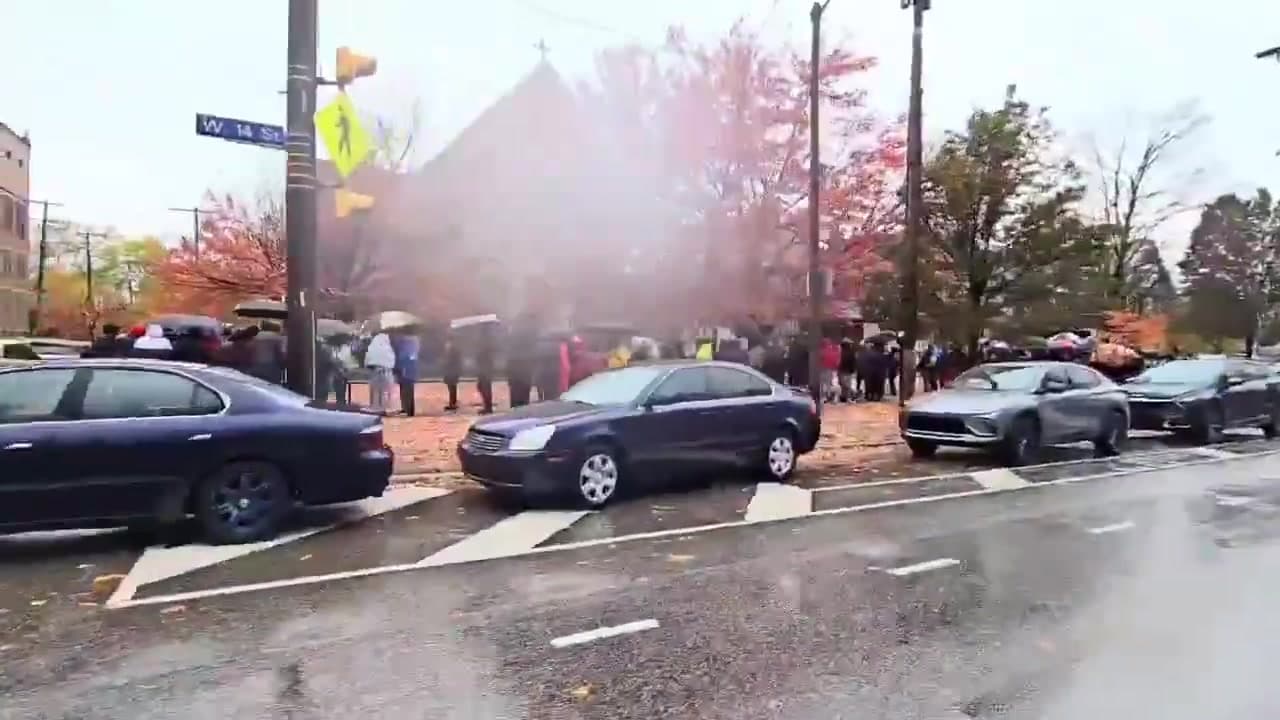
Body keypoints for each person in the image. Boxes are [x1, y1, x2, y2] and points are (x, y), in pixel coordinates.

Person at [364, 331, 396, 414]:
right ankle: (385, 407)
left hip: (375, 371)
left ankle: (375, 407)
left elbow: (367, 360)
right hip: (387, 372)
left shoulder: (372, 347)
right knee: (385, 391)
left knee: (375, 391)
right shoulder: (388, 349)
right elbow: (392, 361)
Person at [392, 331, 420, 416]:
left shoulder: (406, 344)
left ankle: (408, 409)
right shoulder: (413, 342)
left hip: (405, 370)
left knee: (406, 391)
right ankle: (407, 408)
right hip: (407, 370)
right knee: (407, 391)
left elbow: (403, 357)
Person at [475, 328, 495, 414]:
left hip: (485, 369)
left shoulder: (485, 343)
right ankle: (487, 406)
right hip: (484, 369)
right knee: (482, 387)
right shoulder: (485, 343)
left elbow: (484, 356)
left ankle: (488, 407)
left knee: (484, 387)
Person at [442, 334, 462, 411]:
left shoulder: (452, 349)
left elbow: (450, 360)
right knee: (452, 387)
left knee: (452, 387)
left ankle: (452, 403)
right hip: (451, 370)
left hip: (451, 370)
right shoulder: (452, 348)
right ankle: (453, 402)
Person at [838, 338, 858, 402]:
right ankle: (847, 397)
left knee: (843, 385)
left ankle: (844, 397)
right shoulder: (851, 352)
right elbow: (854, 362)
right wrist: (853, 370)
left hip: (841, 370)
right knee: (847, 385)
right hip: (848, 371)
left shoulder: (840, 352)